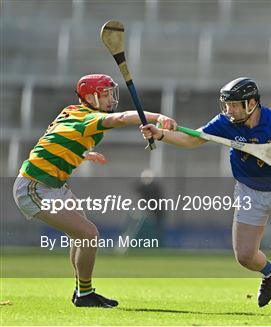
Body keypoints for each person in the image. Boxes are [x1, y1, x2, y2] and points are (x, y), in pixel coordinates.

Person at [140, 77, 271, 314]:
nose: (229, 110)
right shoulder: (225, 122)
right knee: (245, 256)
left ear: (251, 103)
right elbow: (194, 138)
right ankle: (270, 271)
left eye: (234, 105)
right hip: (248, 190)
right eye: (227, 105)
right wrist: (160, 135)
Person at [13, 74, 177, 308]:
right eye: (106, 94)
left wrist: (81, 153)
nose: (111, 98)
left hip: (56, 186)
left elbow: (55, 138)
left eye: (112, 93)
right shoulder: (90, 118)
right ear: (90, 97)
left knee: (80, 236)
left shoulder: (72, 111)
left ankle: (81, 291)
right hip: (34, 187)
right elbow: (121, 118)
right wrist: (156, 116)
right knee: (89, 234)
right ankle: (85, 294)